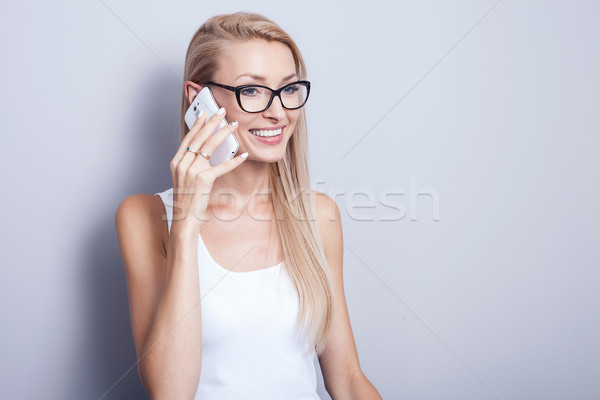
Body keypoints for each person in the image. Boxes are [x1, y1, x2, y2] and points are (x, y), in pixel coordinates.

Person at [115, 11, 382, 400]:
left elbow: (348, 380)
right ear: (198, 100)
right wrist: (187, 224)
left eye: (289, 89)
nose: (279, 111)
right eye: (252, 90)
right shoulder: (143, 217)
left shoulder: (319, 217)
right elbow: (170, 392)